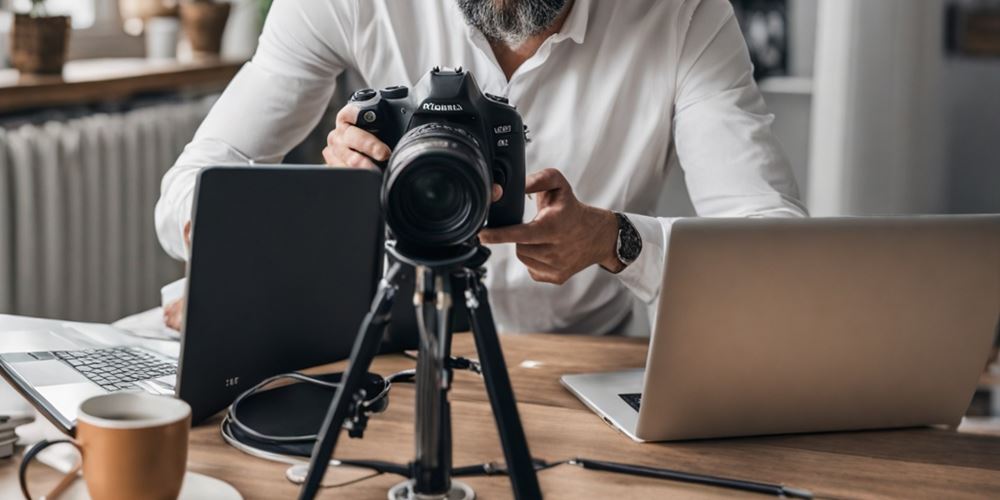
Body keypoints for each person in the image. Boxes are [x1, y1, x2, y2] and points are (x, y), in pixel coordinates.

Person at [155, 0, 807, 335]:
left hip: (578, 366)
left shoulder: (682, 14)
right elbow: (187, 194)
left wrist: (615, 240)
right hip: (384, 352)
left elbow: (778, 253)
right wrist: (313, 214)